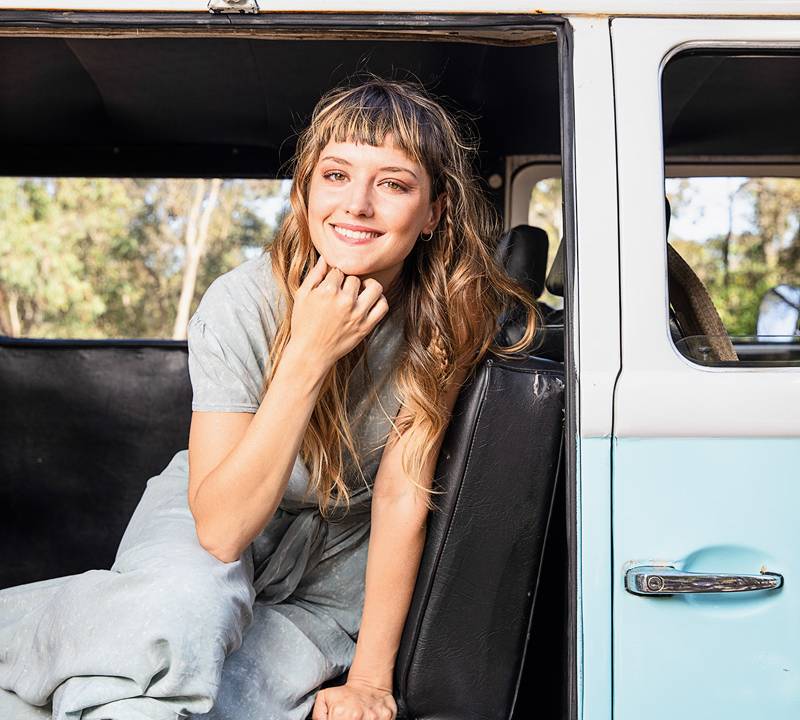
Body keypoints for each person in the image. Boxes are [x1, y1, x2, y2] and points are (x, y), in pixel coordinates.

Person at [0, 77, 538, 720]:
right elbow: (222, 531)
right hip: (215, 510)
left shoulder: (452, 317)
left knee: (205, 699)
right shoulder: (241, 302)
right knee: (176, 622)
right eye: (335, 175)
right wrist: (308, 353)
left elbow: (400, 496)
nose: (358, 205)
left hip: (340, 554)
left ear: (434, 212)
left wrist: (369, 680)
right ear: (305, 191)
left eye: (393, 183)